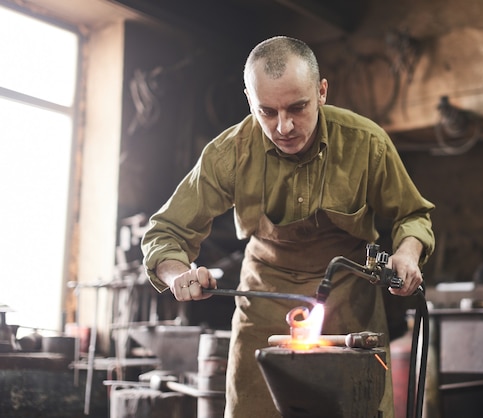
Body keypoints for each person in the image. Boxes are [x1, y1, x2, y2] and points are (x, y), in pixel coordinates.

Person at [141, 35, 435, 418]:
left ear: (322, 91)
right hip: (264, 302)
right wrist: (177, 273)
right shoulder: (229, 153)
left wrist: (407, 253)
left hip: (348, 300)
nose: (284, 127)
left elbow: (412, 215)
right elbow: (165, 232)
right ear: (249, 100)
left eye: (298, 107)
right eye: (267, 111)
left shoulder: (366, 144)